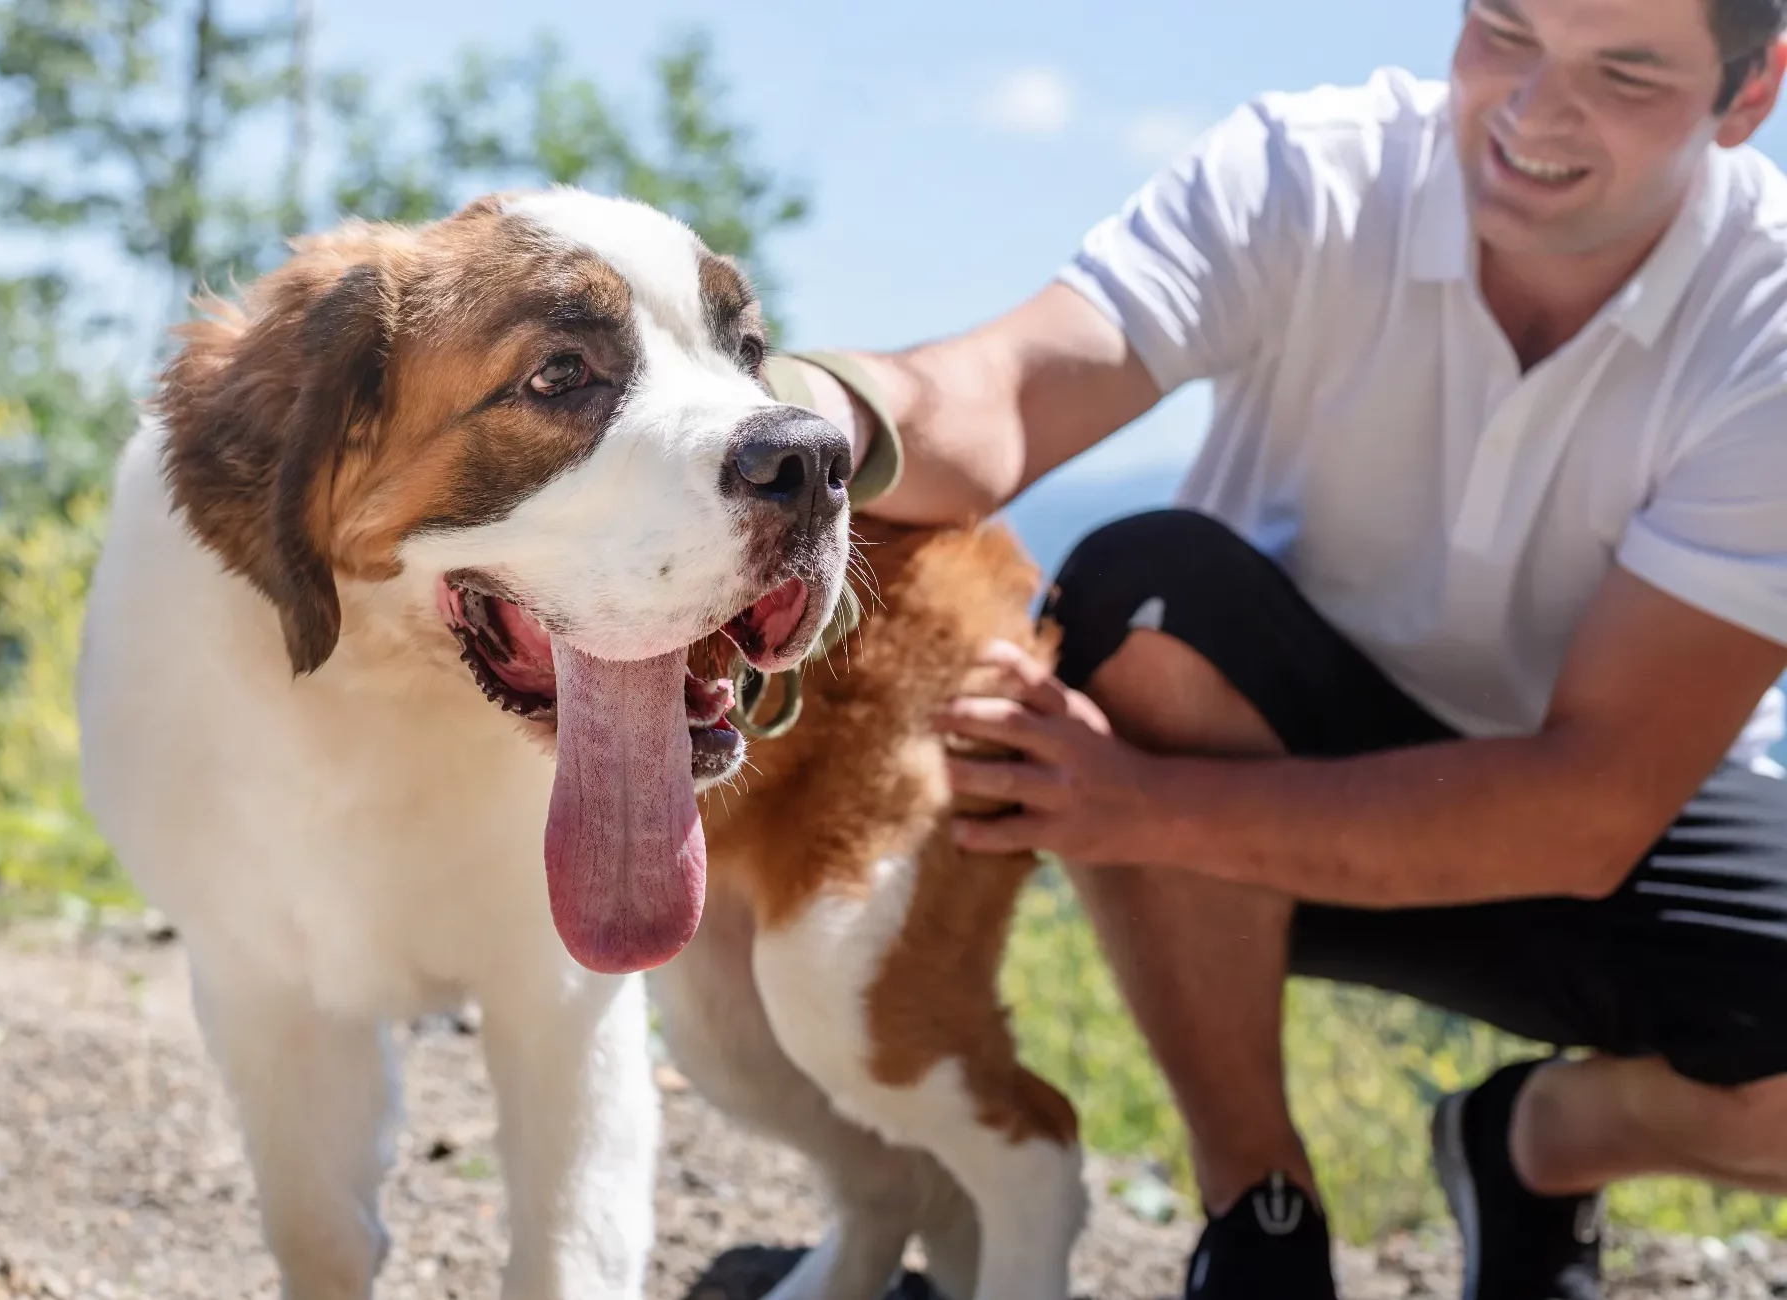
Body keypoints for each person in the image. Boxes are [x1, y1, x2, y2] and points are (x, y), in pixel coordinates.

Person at [762, 1, 1787, 1296]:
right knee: (1148, 592)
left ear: (1749, 96)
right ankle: (1261, 1212)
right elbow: (1006, 392)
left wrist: (1146, 807)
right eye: (1504, 31)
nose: (1534, 110)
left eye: (1625, 72)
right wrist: (789, 417)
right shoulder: (1309, 171)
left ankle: (1537, 1142)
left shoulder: (1771, 321)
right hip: (1242, 771)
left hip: (1579, 823)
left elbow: (1591, 812)